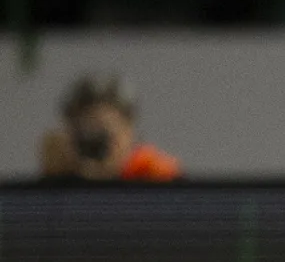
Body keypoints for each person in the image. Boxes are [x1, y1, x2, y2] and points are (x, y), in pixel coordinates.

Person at [38, 74, 180, 182]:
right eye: (84, 136)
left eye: (105, 132)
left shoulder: (152, 173)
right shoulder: (62, 171)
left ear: (129, 132)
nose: (95, 144)